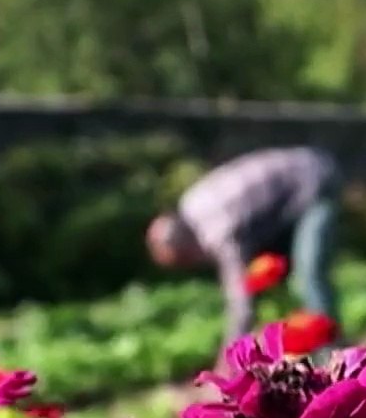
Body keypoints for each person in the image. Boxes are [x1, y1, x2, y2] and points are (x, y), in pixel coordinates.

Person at [146, 146, 341, 350]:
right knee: (277, 279)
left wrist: (229, 354)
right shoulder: (190, 206)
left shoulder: (218, 229)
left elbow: (241, 299)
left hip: (314, 181)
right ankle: (297, 348)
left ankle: (331, 354)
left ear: (186, 248)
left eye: (186, 261)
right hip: (286, 201)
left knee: (310, 272)